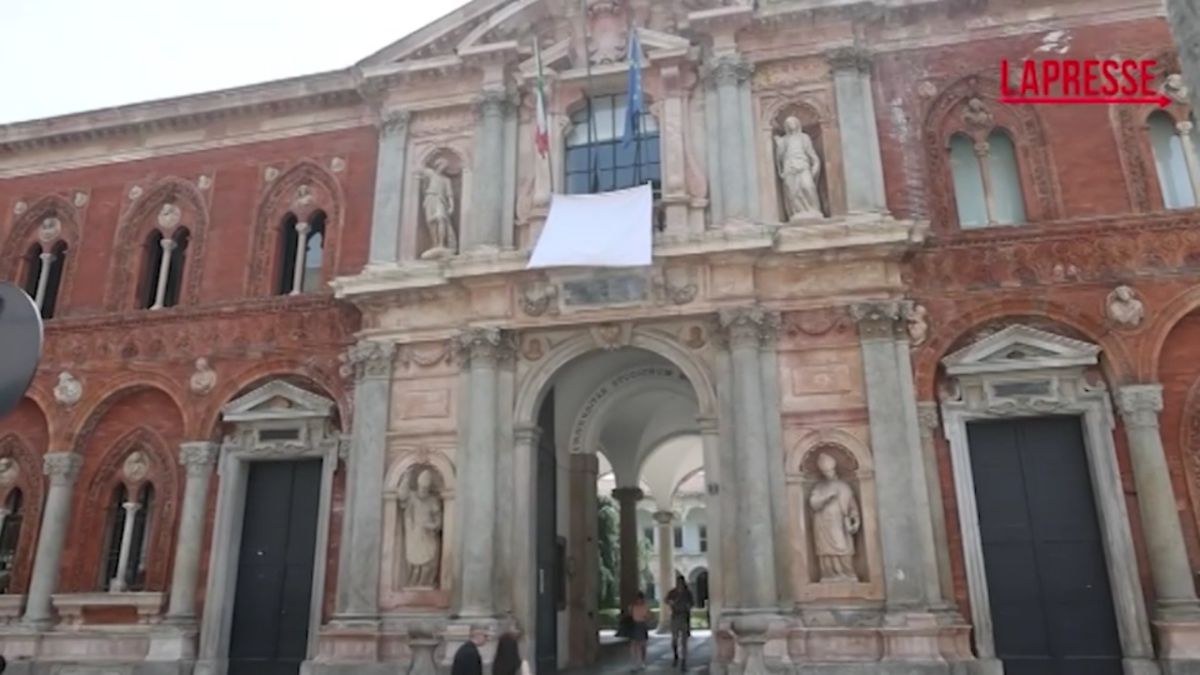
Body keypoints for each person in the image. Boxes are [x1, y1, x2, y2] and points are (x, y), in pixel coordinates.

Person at [664, 576, 694, 670]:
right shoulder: (673, 593)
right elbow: (666, 600)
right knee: (674, 639)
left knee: (684, 641)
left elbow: (692, 603)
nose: (679, 584)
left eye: (681, 582)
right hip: (675, 617)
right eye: (678, 582)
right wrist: (671, 603)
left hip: (684, 617)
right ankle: (676, 655)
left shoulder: (687, 593)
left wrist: (687, 606)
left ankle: (683, 661)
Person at [628, 591, 651, 671]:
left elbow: (648, 617)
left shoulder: (645, 607)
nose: (639, 601)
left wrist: (646, 619)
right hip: (635, 625)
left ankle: (642, 661)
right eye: (638, 599)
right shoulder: (632, 607)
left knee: (642, 645)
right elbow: (631, 615)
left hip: (642, 625)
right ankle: (634, 662)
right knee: (634, 645)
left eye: (640, 599)